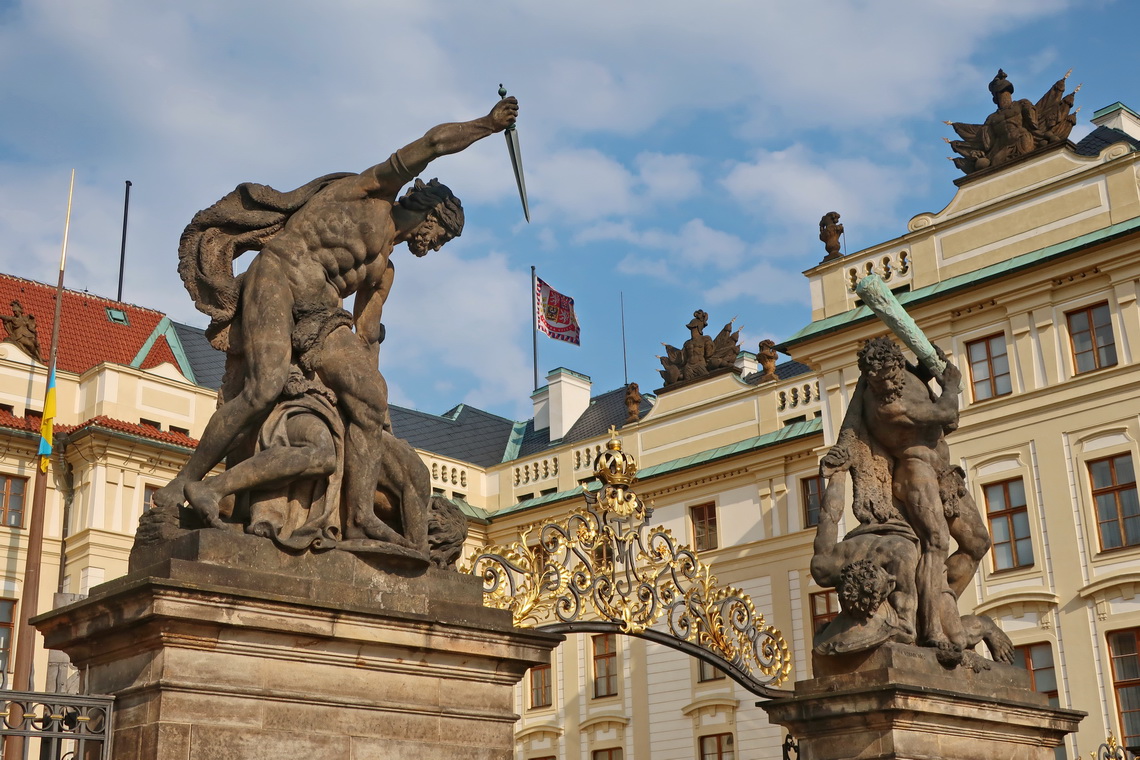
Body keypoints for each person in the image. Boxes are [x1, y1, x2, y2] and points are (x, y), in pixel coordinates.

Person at [155, 96, 520, 543]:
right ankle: (185, 483)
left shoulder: (384, 271)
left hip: (323, 315)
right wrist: (486, 123)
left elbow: (366, 336)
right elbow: (434, 142)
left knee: (372, 397)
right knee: (263, 388)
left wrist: (376, 408)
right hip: (279, 277)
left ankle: (361, 513)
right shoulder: (370, 192)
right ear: (431, 212)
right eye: (440, 235)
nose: (435, 246)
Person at [823, 336, 991, 656]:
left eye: (887, 375)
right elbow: (947, 415)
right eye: (875, 380)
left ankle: (942, 603)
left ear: (898, 366)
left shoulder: (910, 379)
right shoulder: (890, 405)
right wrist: (952, 385)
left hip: (944, 473)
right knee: (936, 543)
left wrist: (927, 375)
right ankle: (931, 629)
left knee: (978, 543)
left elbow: (946, 426)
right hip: (916, 473)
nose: (883, 384)